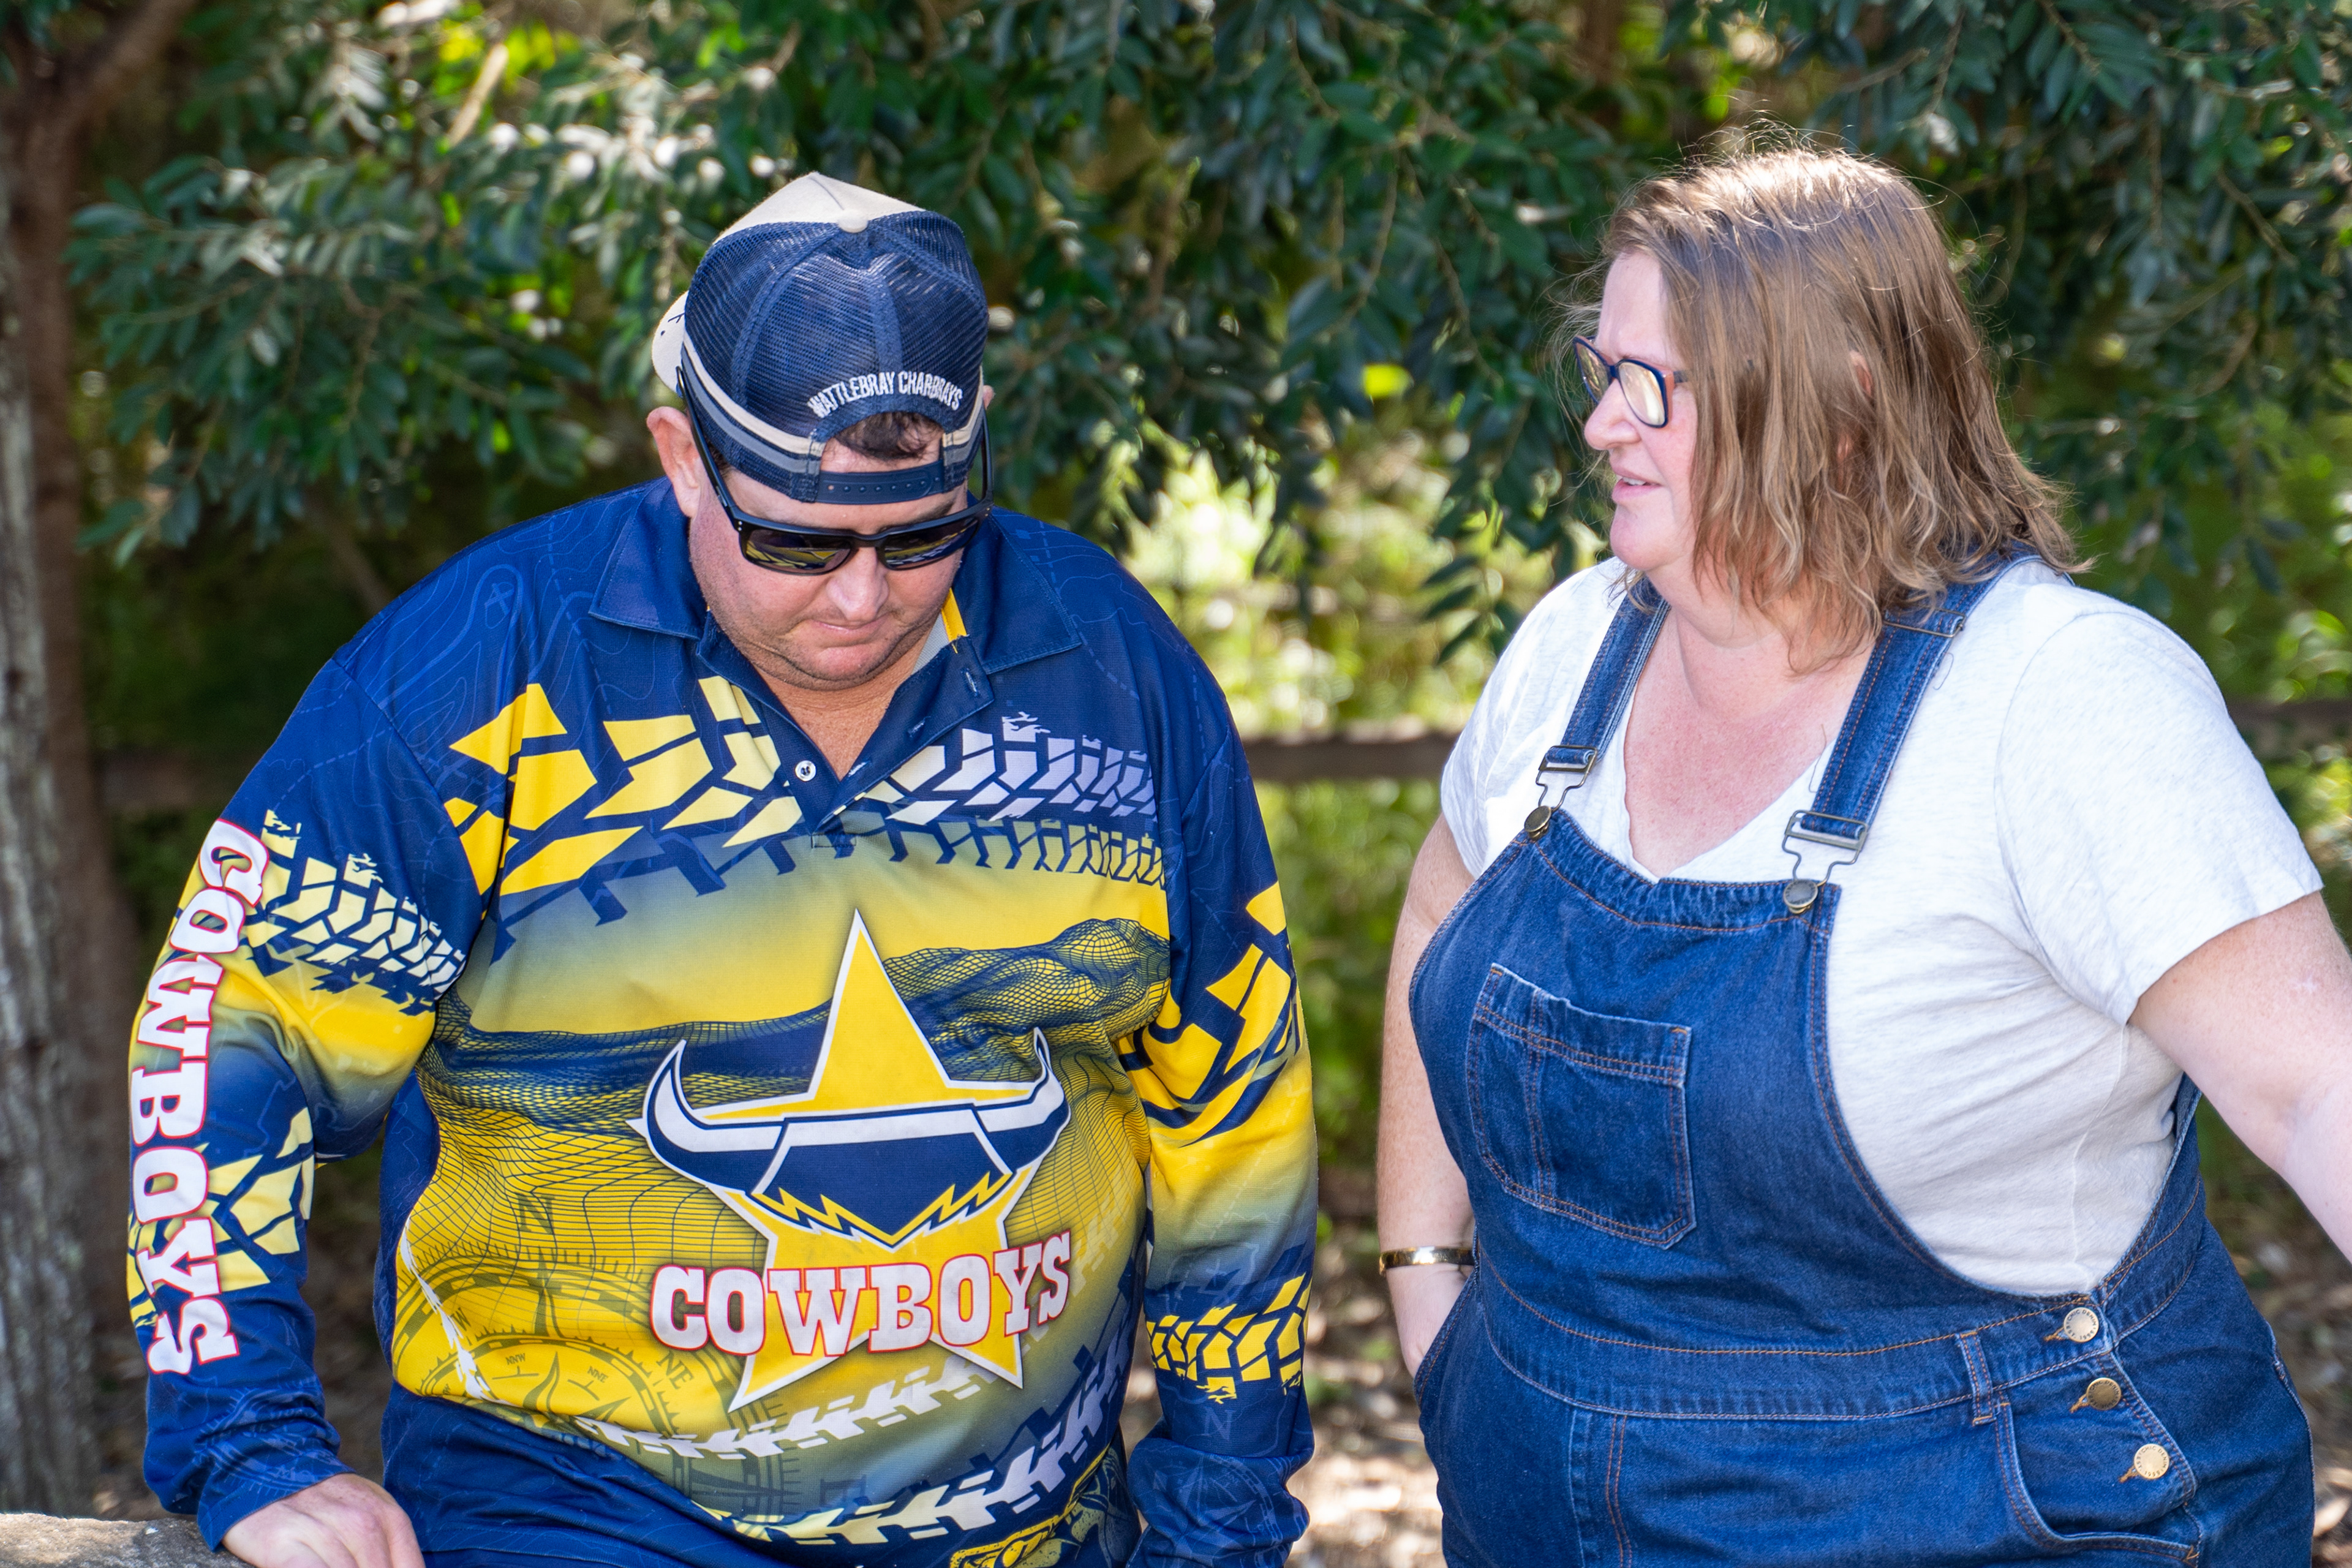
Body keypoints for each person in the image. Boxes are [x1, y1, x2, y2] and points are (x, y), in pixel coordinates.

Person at [126, 173, 1316, 1568]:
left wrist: (1221, 1522)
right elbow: (228, 1035)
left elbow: (1236, 1113)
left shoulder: (1107, 660)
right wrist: (251, 1444)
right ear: (684, 456)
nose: (862, 596)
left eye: (923, 535)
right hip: (576, 1508)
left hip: (1024, 1526)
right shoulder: (479, 664)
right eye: (796, 539)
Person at [1378, 143, 2352, 1565]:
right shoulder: (1573, 646)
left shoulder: (2061, 698)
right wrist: (1428, 1289)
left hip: (1990, 1511)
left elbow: (2321, 1089)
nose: (1598, 424)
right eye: (1600, 368)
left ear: (1835, 410)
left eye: (1651, 383)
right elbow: (1439, 906)